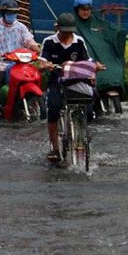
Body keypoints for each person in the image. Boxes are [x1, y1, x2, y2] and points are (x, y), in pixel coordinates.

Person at [39, 12, 104, 162]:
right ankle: (54, 148)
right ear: (58, 29)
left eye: (70, 31)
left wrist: (95, 67)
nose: (67, 34)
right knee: (53, 109)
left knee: (88, 109)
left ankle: (84, 134)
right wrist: (45, 65)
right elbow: (41, 61)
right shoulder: (49, 42)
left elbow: (87, 61)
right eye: (64, 31)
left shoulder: (79, 42)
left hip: (76, 81)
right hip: (57, 81)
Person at [0, 0, 40, 115]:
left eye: (13, 13)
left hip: (19, 63)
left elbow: (29, 41)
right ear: (3, 14)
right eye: (9, 13)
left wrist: (37, 49)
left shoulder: (21, 27)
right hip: (0, 63)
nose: (11, 16)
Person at [73, 0, 126, 110]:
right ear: (77, 10)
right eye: (82, 9)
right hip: (85, 57)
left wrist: (121, 34)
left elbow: (113, 31)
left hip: (105, 58)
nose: (85, 12)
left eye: (88, 9)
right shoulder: (72, 24)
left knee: (113, 68)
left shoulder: (98, 22)